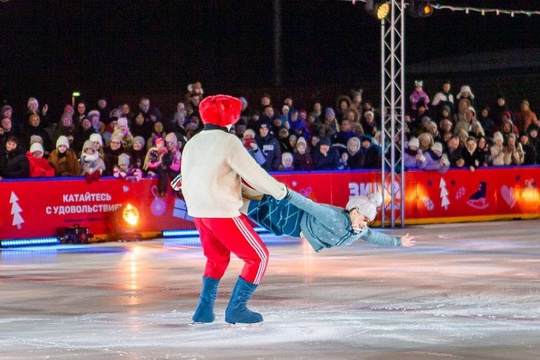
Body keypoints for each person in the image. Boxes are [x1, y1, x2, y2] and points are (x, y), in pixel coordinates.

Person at [180, 94, 289, 325]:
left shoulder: (193, 142)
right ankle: (237, 308)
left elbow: (185, 177)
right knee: (258, 257)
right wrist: (279, 191)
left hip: (199, 212)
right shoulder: (229, 142)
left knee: (216, 258)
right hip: (221, 210)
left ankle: (204, 310)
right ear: (229, 118)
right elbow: (254, 174)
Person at [241, 188, 415, 253]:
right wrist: (286, 193)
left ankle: (231, 191)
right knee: (253, 205)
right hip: (292, 218)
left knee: (256, 204)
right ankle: (225, 195)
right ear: (355, 211)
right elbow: (309, 206)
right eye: (364, 218)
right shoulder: (335, 218)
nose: (364, 224)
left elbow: (374, 237)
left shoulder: (359, 231)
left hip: (293, 225)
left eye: (368, 221)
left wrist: (398, 241)